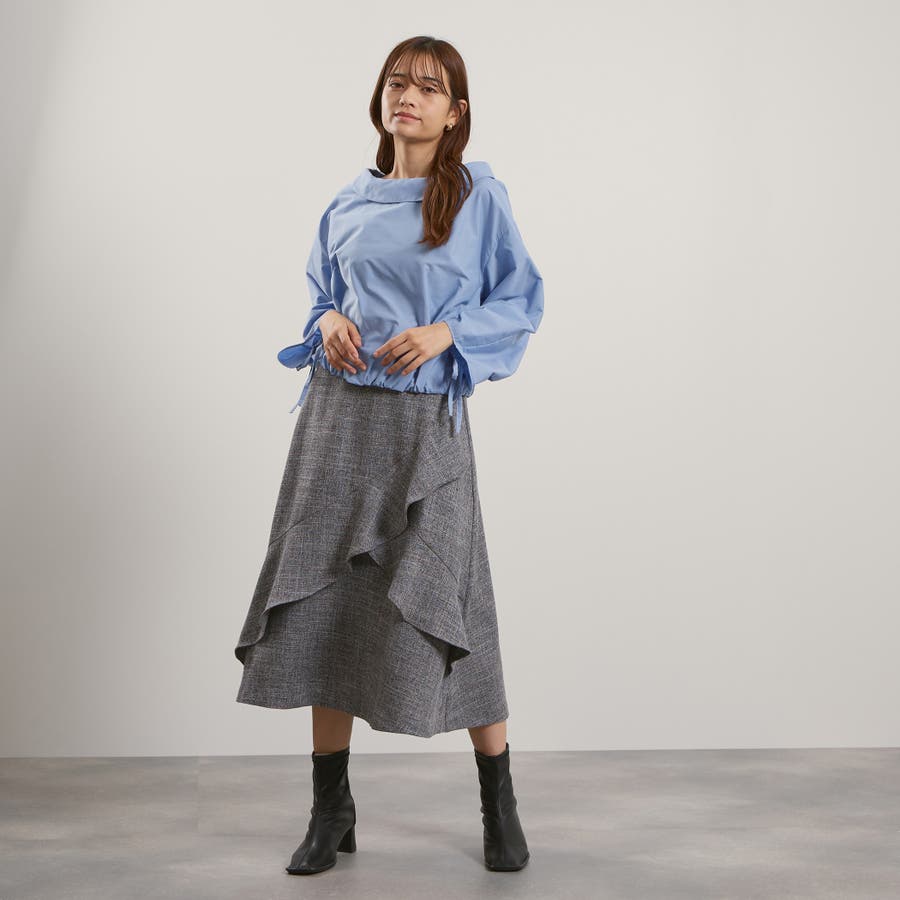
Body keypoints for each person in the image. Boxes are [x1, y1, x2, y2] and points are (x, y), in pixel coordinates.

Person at [233, 35, 544, 875]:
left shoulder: (478, 197)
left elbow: (523, 299)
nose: (408, 96)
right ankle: (329, 807)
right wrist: (329, 319)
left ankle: (499, 800)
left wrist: (449, 332)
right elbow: (322, 298)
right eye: (397, 83)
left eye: (429, 87)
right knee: (328, 600)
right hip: (337, 423)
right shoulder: (347, 200)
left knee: (457, 601)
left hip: (424, 429)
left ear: (456, 112)